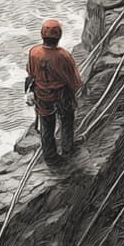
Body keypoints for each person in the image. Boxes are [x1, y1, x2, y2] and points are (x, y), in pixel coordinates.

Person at [26, 20, 83, 168]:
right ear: (59, 37)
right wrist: (75, 89)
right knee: (67, 120)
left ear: (42, 35)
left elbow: (30, 72)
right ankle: (67, 149)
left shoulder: (34, 52)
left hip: (42, 94)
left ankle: (50, 157)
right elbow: (73, 79)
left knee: (47, 125)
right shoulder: (63, 56)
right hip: (61, 95)